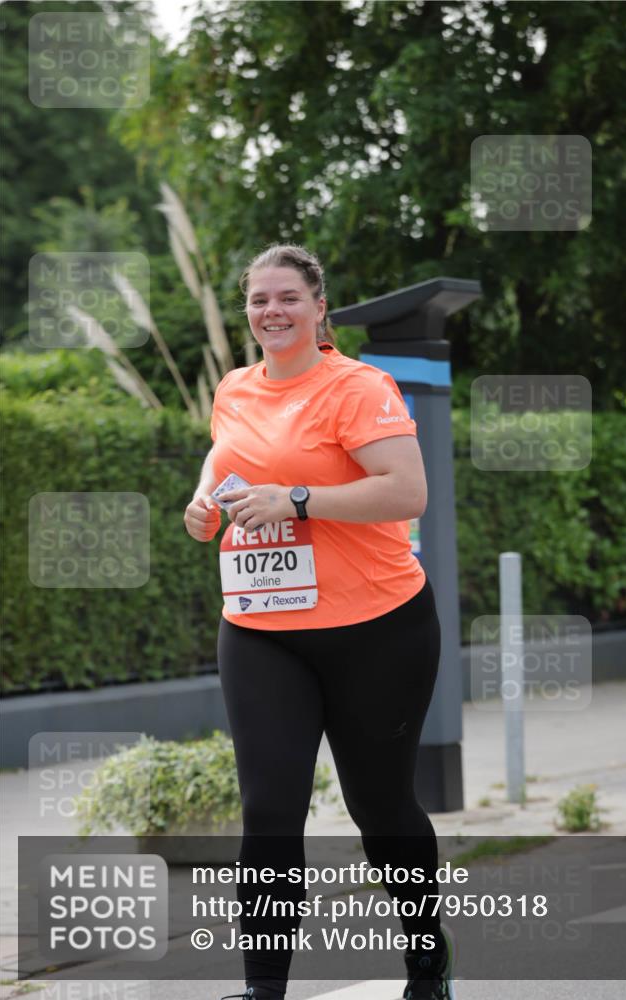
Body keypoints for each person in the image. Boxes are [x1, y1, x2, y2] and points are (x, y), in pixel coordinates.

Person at [184, 244, 454, 1000]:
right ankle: (262, 989)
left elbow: (406, 492)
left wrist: (296, 499)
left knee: (380, 808)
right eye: (258, 300)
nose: (271, 312)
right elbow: (223, 458)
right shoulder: (234, 387)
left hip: (377, 626)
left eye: (287, 298)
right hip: (262, 630)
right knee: (268, 809)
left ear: (318, 307)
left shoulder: (357, 387)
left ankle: (426, 954)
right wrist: (203, 502)